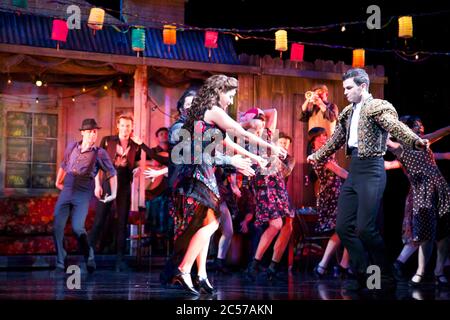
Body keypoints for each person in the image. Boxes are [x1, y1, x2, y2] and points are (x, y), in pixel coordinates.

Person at [307, 68, 429, 291]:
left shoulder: (377, 107)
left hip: (373, 169)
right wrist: (318, 154)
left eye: (349, 88)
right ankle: (363, 273)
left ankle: (383, 275)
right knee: (343, 228)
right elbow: (336, 140)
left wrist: (415, 141)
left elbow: (395, 127)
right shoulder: (347, 112)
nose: (345, 92)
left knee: (365, 229)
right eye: (344, 88)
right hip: (354, 170)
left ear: (363, 87)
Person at [171, 75, 286, 294]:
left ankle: (200, 274)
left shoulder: (209, 115)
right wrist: (269, 147)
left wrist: (255, 158)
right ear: (220, 91)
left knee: (210, 222)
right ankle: (184, 269)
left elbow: (228, 142)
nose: (231, 100)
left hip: (204, 171)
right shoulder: (213, 109)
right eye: (231, 95)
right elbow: (239, 132)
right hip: (196, 172)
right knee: (211, 223)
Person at [385, 116, 450, 287]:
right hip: (422, 193)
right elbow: (386, 146)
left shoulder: (423, 142)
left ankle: (439, 271)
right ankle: (417, 271)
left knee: (444, 235)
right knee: (424, 235)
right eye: (416, 127)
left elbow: (441, 132)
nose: (421, 130)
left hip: (440, 191)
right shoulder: (400, 147)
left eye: (421, 126)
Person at [53, 118, 117, 273]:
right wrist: (57, 182)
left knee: (77, 228)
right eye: (89, 132)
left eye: (95, 132)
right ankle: (61, 261)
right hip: (68, 186)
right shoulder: (72, 147)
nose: (92, 135)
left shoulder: (100, 153)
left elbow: (111, 173)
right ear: (83, 133)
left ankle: (89, 256)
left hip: (83, 189)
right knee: (57, 226)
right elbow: (64, 164)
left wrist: (113, 193)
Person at [88, 114, 149, 272]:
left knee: (122, 222)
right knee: (99, 221)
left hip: (124, 187)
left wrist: (136, 169)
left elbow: (134, 164)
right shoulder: (108, 141)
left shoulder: (135, 145)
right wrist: (97, 185)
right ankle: (87, 258)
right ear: (118, 126)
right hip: (107, 184)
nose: (125, 129)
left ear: (131, 128)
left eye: (128, 126)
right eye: (122, 125)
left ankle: (120, 261)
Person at [240, 109, 295, 281]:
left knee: (288, 225)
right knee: (276, 224)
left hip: (278, 184)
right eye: (258, 120)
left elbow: (273, 112)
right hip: (263, 185)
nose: (261, 123)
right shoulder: (244, 138)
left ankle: (272, 267)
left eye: (262, 121)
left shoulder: (267, 135)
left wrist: (257, 114)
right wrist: (246, 120)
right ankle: (254, 265)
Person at [307, 127, 350, 279]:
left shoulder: (325, 153)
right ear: (313, 141)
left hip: (337, 195)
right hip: (332, 197)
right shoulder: (320, 156)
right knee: (346, 229)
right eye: (319, 137)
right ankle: (336, 266)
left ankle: (335, 266)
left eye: (324, 135)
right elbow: (339, 171)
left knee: (346, 230)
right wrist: (356, 180)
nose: (323, 138)